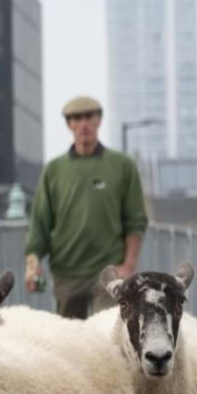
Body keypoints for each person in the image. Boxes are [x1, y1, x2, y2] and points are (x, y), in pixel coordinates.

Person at [24, 95, 148, 319]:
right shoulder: (54, 170)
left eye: (89, 117)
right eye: (77, 118)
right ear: (69, 124)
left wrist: (128, 265)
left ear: (98, 121)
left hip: (109, 272)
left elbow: (136, 220)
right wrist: (33, 264)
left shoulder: (122, 165)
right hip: (67, 272)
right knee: (70, 343)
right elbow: (40, 222)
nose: (83, 124)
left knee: (108, 336)